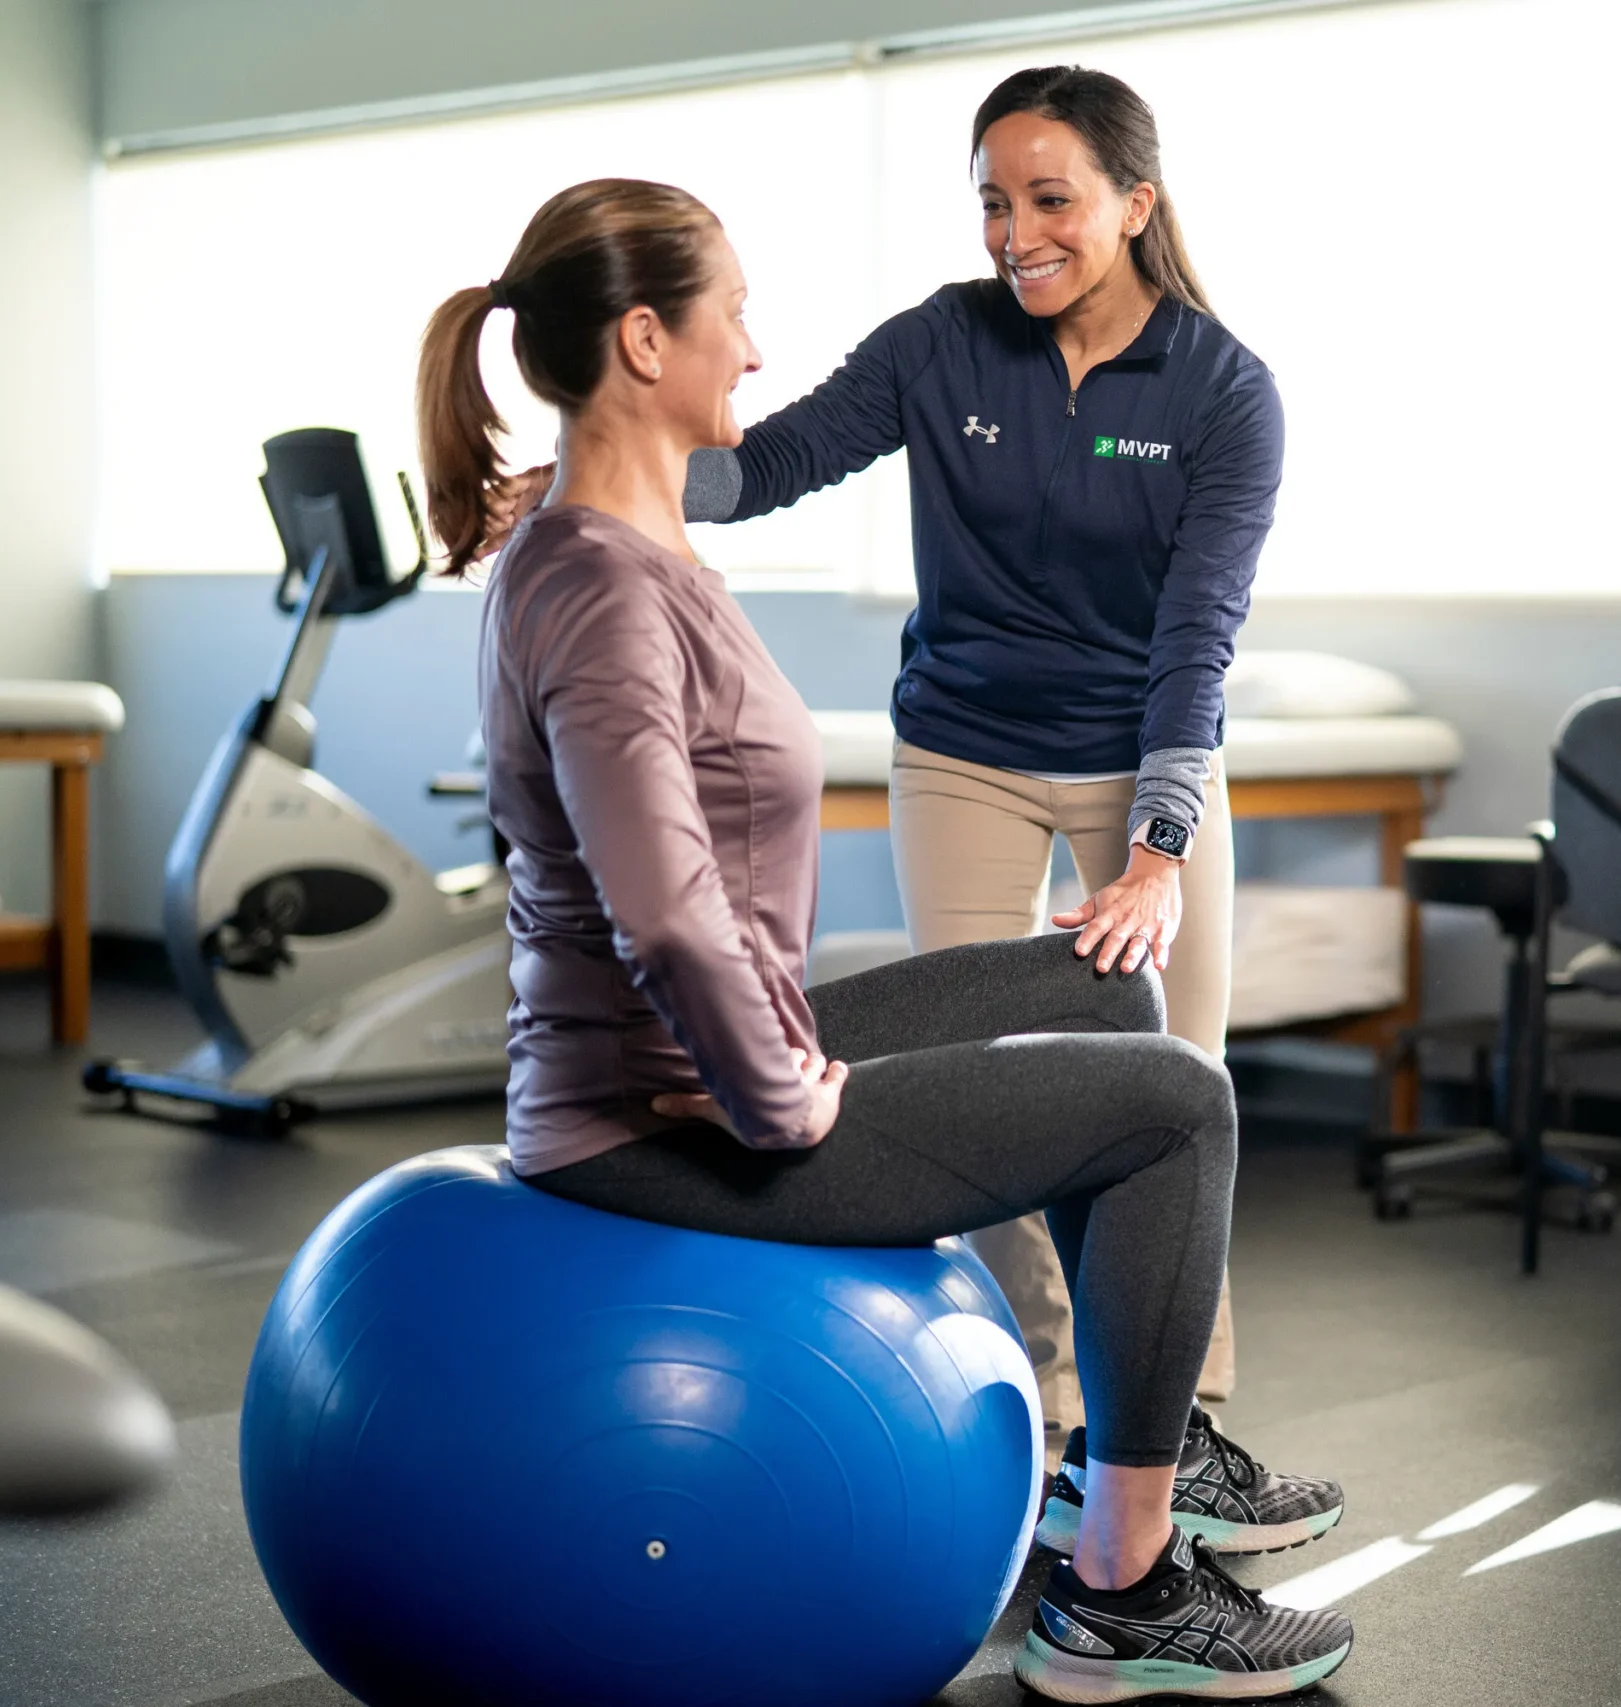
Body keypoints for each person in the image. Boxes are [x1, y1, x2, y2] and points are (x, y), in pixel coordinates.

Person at [426, 176, 1351, 1702]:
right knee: (1188, 1102)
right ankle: (1121, 1589)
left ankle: (1144, 1449)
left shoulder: (616, 554)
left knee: (1112, 990)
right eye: (733, 311)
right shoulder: (600, 582)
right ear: (648, 342)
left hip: (697, 1071)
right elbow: (658, 902)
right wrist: (784, 1097)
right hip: (664, 1122)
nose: (757, 348)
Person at [681, 61, 1280, 1471]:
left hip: (1142, 760)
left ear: (1136, 202)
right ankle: (1058, 1401)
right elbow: (768, 464)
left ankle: (1178, 1422)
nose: (1016, 235)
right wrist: (607, 465)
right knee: (986, 1082)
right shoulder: (943, 344)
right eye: (994, 203)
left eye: (1051, 199)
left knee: (1181, 1086)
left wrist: (1158, 848)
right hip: (963, 751)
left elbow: (1198, 633)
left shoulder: (1223, 391)